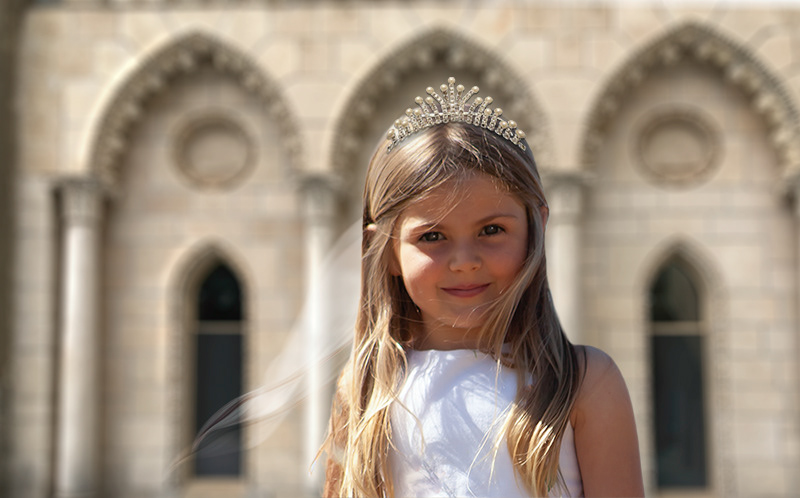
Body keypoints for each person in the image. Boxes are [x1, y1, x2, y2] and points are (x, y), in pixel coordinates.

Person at [320, 77, 644, 498]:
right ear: (385, 251)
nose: (465, 260)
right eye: (432, 237)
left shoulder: (581, 384)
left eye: (491, 230)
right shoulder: (365, 390)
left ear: (536, 228)